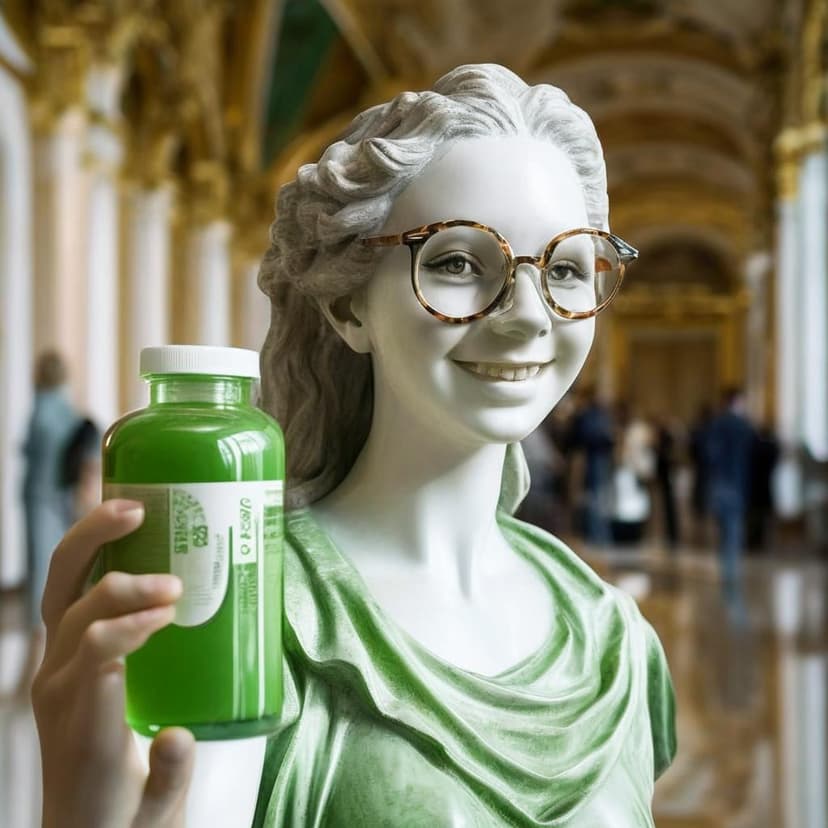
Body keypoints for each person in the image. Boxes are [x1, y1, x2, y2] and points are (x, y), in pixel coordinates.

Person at [32, 64, 675, 827]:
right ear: (347, 306)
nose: (529, 315)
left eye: (566, 269)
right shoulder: (253, 607)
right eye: (458, 262)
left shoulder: (613, 636)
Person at [15, 351, 79, 698]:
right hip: (55, 501)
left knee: (40, 575)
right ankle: (35, 670)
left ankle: (31, 673)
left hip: (41, 501)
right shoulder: (65, 409)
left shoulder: (45, 408)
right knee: (52, 571)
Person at [706, 388, 755, 618]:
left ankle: (727, 569)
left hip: (720, 483)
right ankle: (731, 571)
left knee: (725, 529)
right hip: (737, 483)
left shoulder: (717, 424)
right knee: (734, 529)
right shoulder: (743, 425)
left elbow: (709, 454)